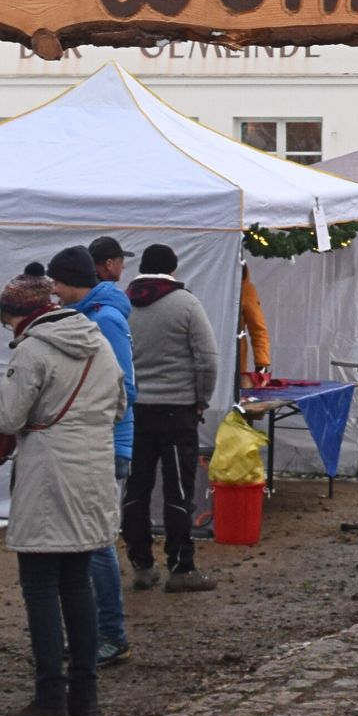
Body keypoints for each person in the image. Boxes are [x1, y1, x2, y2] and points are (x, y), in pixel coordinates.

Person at [0, 261, 122, 716]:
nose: (7, 328)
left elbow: (6, 417)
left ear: (19, 315)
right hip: (94, 471)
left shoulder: (32, 351)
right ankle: (85, 696)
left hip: (48, 474)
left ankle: (49, 699)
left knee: (41, 587)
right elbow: (121, 403)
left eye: (6, 320)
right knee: (77, 584)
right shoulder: (99, 341)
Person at [122, 244, 219, 592]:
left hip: (135, 412)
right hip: (178, 411)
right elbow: (207, 359)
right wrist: (200, 400)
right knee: (178, 490)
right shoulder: (186, 304)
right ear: (173, 269)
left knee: (136, 489)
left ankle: (141, 565)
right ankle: (181, 567)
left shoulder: (123, 303)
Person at [75, 237, 136, 663]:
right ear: (109, 265)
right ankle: (95, 634)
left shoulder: (106, 318)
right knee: (88, 541)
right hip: (100, 440)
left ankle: (111, 635)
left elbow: (123, 388)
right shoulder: (94, 315)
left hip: (107, 441)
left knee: (97, 542)